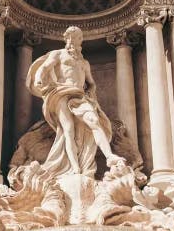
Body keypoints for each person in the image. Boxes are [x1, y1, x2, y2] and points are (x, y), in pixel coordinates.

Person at [27, 26, 121, 177]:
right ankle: (75, 168)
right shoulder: (58, 54)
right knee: (68, 130)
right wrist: (38, 78)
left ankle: (109, 156)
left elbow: (91, 83)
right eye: (71, 37)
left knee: (94, 121)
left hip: (79, 96)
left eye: (77, 38)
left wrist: (91, 93)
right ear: (67, 39)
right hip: (61, 93)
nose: (74, 40)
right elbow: (44, 67)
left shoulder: (84, 63)